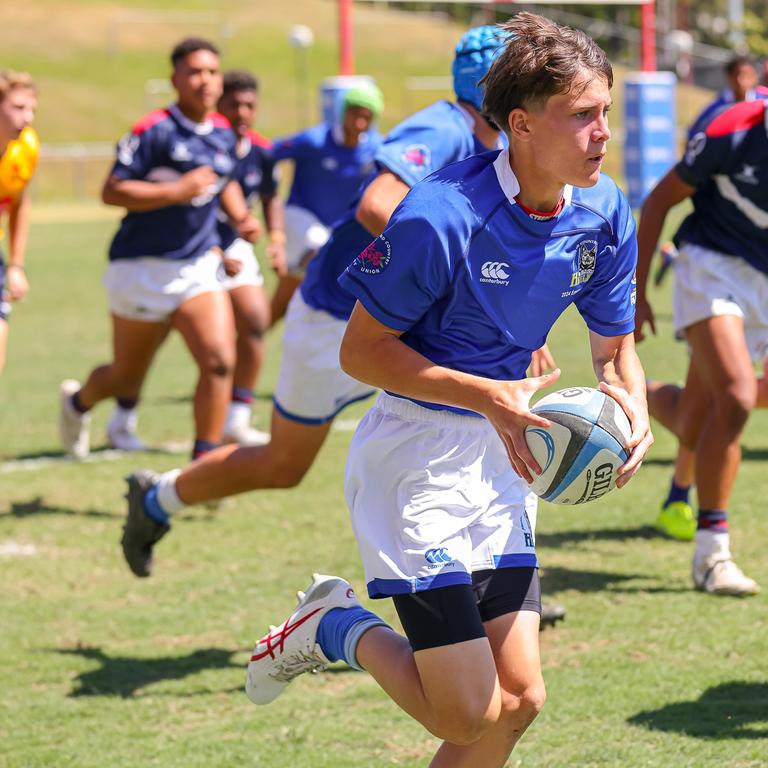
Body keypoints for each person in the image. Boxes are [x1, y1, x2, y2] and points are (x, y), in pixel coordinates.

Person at [244, 15, 651, 767]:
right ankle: (334, 626)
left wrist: (634, 409)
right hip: (417, 459)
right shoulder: (442, 213)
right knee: (467, 714)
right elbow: (362, 354)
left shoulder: (603, 212)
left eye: (607, 113)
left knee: (520, 701)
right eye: (583, 116)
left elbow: (615, 352)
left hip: (507, 458)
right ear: (521, 124)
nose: (602, 133)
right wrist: (489, 395)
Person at [120, 24, 508, 578]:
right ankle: (157, 500)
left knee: (474, 418)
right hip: (337, 318)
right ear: (490, 85)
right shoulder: (445, 126)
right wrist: (461, 281)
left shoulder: (498, 146)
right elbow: (378, 205)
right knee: (284, 464)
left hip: (403, 323)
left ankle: (497, 585)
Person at [58, 37, 259, 459]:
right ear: (175, 79)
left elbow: (225, 182)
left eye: (212, 72)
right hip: (140, 267)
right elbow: (112, 191)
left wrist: (239, 221)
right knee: (124, 377)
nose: (205, 80)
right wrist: (177, 190)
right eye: (195, 72)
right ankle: (79, 403)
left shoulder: (223, 133)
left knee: (219, 360)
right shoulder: (154, 130)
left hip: (196, 267)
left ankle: (202, 465)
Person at [635, 90, 768, 595]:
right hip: (708, 264)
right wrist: (640, 290)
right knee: (735, 397)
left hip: (761, 281)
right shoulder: (729, 133)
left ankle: (633, 397)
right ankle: (712, 555)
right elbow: (657, 204)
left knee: (697, 422)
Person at [208, 69, 286, 445]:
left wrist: (277, 239)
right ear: (218, 105)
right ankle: (119, 409)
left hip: (235, 249)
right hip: (190, 249)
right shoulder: (204, 145)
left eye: (248, 105)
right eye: (233, 104)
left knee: (255, 321)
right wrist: (217, 248)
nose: (241, 112)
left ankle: (236, 417)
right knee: (143, 352)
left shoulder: (261, 151)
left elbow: (270, 197)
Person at [268, 81, 384, 325]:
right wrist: (268, 192)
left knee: (281, 302)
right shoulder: (313, 140)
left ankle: (251, 338)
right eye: (355, 114)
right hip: (301, 218)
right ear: (343, 112)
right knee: (329, 262)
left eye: (367, 117)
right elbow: (267, 154)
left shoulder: (377, 148)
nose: (360, 123)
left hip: (337, 227)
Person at [0, 70, 38, 375]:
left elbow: (19, 201)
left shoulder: (26, 147)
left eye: (32, 109)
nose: (28, 117)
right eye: (18, 107)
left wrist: (16, 264)